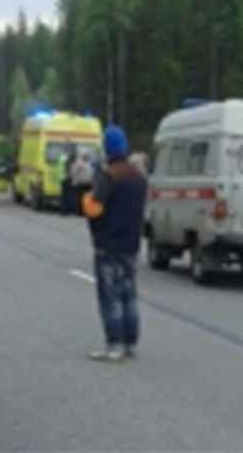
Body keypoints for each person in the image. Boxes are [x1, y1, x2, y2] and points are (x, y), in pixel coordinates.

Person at [82, 126, 147, 362]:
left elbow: (95, 208)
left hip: (108, 245)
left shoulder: (109, 176)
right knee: (129, 294)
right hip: (131, 244)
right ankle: (130, 342)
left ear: (107, 149)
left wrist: (86, 197)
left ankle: (115, 344)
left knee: (110, 296)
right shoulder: (138, 176)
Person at [57, 143, 75, 216]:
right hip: (67, 177)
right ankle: (65, 211)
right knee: (67, 195)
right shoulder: (67, 159)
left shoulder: (61, 158)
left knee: (63, 195)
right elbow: (68, 169)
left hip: (61, 177)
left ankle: (62, 210)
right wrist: (70, 175)